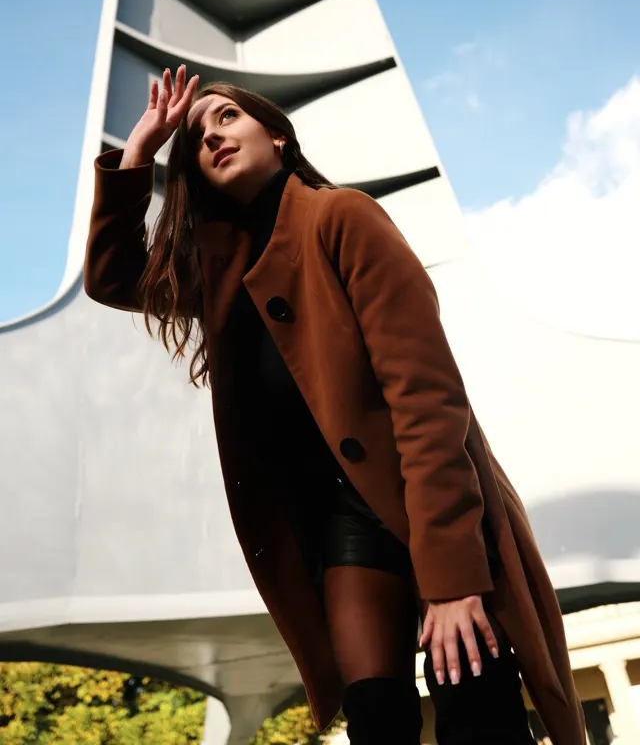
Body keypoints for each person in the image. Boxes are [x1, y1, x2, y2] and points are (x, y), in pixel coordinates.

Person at [84, 66, 585, 745]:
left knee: (475, 704)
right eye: (197, 136)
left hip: (429, 502)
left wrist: (452, 580)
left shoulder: (341, 215)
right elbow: (113, 279)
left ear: (279, 137)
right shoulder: (220, 278)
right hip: (346, 522)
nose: (211, 136)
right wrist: (141, 150)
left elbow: (430, 400)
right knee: (375, 715)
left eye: (228, 117)